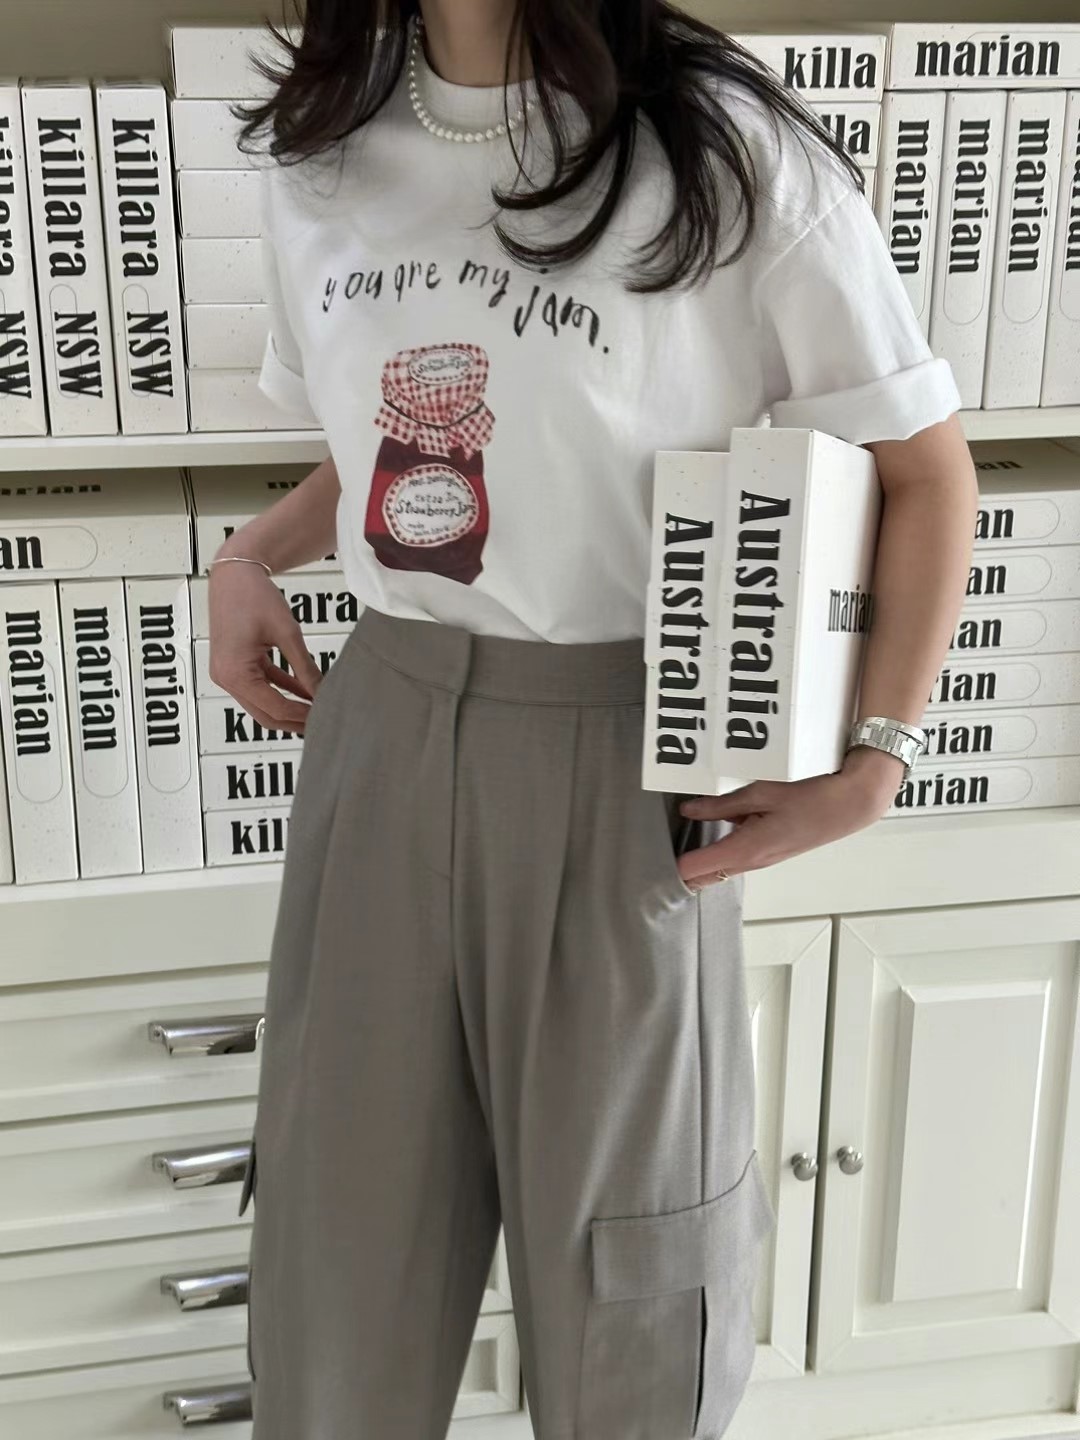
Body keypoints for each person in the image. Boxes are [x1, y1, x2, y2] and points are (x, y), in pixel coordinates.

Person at [210, 2, 979, 1437]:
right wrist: (254, 553)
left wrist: (880, 757)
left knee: (635, 1294)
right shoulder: (320, 147)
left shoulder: (723, 148)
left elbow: (928, 472)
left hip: (622, 749)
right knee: (336, 1266)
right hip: (381, 735)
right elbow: (405, 438)